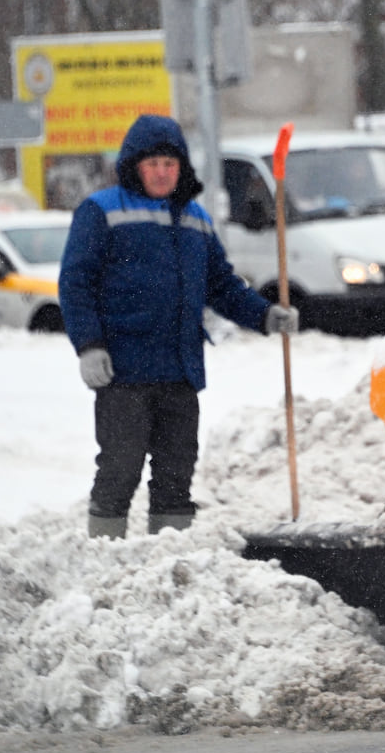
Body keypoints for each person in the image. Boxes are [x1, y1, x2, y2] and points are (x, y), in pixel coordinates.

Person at [59, 114, 298, 539]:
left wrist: (264, 315)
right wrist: (89, 345)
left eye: (170, 164)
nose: (161, 172)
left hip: (179, 370)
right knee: (120, 466)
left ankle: (169, 555)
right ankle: (103, 556)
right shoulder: (102, 211)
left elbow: (221, 286)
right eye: (152, 164)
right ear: (133, 165)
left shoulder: (195, 220)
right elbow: (76, 284)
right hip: (123, 371)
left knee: (176, 472)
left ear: (181, 168)